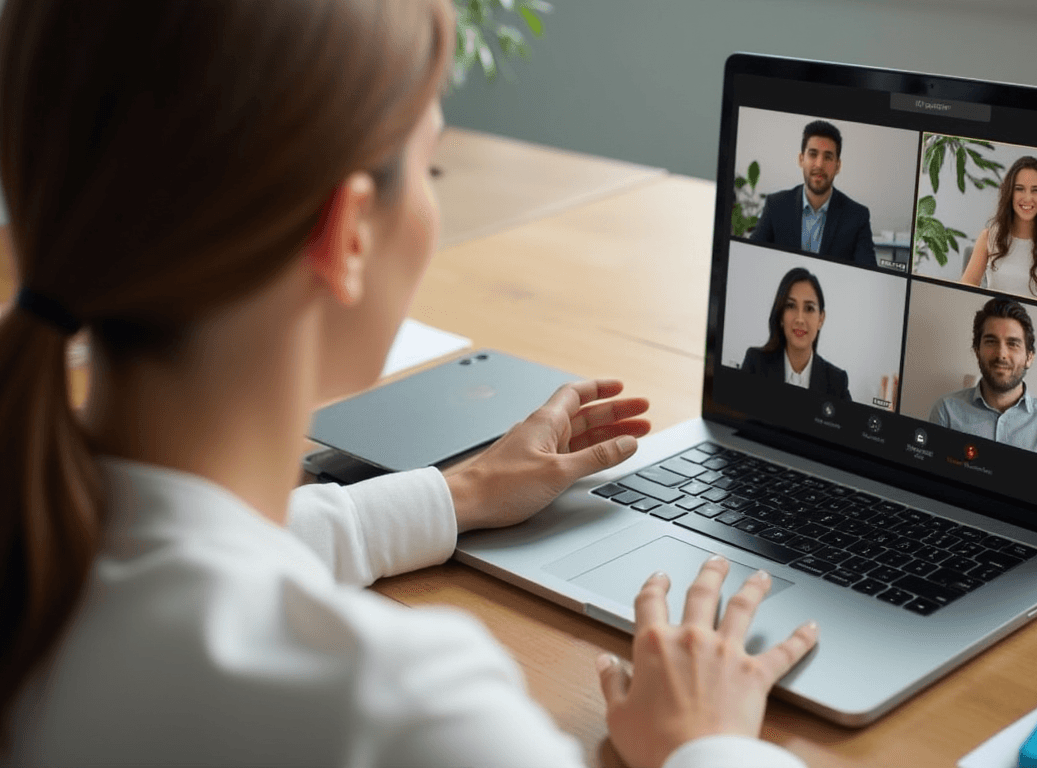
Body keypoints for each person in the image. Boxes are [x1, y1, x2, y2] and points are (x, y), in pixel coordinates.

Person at [0, 2, 818, 767]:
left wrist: (454, 495)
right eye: (430, 163)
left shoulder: (39, 534)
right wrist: (708, 742)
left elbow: (176, 548)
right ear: (347, 233)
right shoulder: (401, 714)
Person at [929, 298, 1037, 459]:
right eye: (991, 342)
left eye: (1013, 344)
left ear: (1029, 357)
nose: (1001, 354)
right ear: (977, 351)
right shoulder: (946, 410)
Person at [749, 120, 876, 267]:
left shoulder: (857, 217)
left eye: (828, 157)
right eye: (813, 154)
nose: (819, 164)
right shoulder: (775, 206)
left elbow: (868, 271)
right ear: (801, 159)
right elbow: (752, 258)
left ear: (838, 166)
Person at [959, 156, 1037, 308]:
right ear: (1010, 192)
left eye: (1035, 190)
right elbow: (964, 291)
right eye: (1020, 189)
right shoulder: (988, 237)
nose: (1028, 198)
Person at [741, 267, 851, 401]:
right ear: (781, 315)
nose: (799, 319)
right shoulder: (755, 363)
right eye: (791, 306)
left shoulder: (836, 381)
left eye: (809, 308)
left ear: (821, 319)